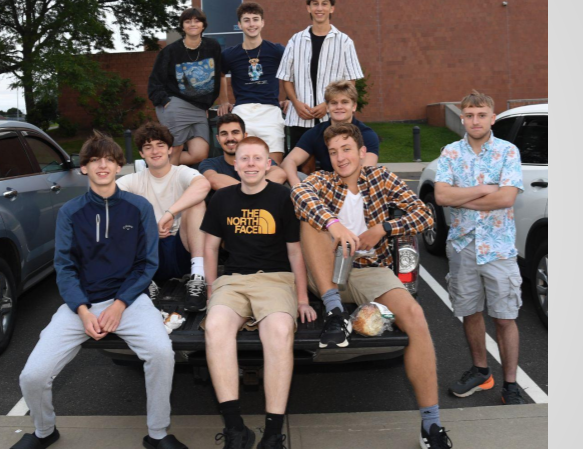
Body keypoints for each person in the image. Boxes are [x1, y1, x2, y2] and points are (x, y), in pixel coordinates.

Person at [12, 133, 186, 449]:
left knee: (162, 354)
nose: (102, 165)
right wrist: (81, 310)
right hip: (81, 303)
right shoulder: (70, 212)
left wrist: (119, 305)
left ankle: (158, 434)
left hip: (130, 301)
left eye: (108, 159)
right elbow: (64, 267)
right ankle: (44, 431)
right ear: (84, 169)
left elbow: (147, 264)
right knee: (32, 376)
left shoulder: (139, 207)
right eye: (94, 160)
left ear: (119, 166)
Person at [290, 123, 451, 448]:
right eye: (333, 152)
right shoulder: (323, 180)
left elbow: (425, 214)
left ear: (362, 152)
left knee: (415, 317)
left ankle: (431, 425)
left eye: (346, 149)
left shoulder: (381, 178)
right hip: (325, 272)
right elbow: (299, 194)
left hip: (368, 269)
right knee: (313, 223)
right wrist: (334, 225)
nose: (340, 157)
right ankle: (335, 311)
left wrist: (383, 227)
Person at [198, 136, 309, 449]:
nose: (250, 164)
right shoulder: (222, 200)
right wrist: (210, 289)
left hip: (275, 279)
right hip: (233, 281)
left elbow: (295, 253)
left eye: (257, 159)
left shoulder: (282, 198)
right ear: (234, 164)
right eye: (244, 158)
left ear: (268, 164)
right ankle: (236, 429)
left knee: (278, 330)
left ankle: (273, 433)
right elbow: (210, 246)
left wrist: (302, 298)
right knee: (216, 327)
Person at [432, 91, 531, 407]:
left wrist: (463, 196)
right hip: (462, 247)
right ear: (463, 118)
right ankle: (481, 371)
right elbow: (442, 197)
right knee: (470, 312)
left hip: (499, 248)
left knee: (504, 317)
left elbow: (506, 198)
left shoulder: (507, 152)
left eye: (482, 114)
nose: (475, 120)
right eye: (470, 115)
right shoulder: (450, 153)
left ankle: (511, 384)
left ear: (492, 117)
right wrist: (483, 190)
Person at [117, 121, 212, 292]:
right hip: (149, 252)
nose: (155, 151)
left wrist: (170, 213)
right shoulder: (134, 180)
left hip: (182, 246)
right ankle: (142, 278)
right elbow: (107, 199)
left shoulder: (181, 172)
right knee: (120, 208)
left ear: (170, 149)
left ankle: (198, 276)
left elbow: (204, 185)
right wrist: (149, 228)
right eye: (148, 147)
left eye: (160, 145)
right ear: (141, 153)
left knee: (197, 203)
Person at [277, 0, 364, 150]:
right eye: (315, 4)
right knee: (302, 167)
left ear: (332, 9)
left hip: (333, 117)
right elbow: (286, 78)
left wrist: (327, 104)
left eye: (325, 4)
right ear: (308, 8)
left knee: (334, 161)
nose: (319, 8)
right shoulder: (296, 40)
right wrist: (295, 104)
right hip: (300, 116)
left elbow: (351, 80)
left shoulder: (344, 41)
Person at [216, 1, 290, 167]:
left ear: (262, 23)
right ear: (240, 25)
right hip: (243, 111)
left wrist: (289, 98)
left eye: (255, 19)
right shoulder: (230, 54)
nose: (251, 24)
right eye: (247, 20)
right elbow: (220, 75)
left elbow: (290, 74)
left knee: (274, 164)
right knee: (244, 162)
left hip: (270, 110)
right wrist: (224, 101)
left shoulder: (276, 50)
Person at [148, 7, 224, 167]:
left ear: (203, 25)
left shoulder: (212, 47)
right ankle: (167, 187)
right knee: (176, 149)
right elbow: (155, 82)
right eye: (188, 21)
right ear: (182, 27)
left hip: (199, 109)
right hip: (176, 105)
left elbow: (219, 75)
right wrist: (166, 102)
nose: (193, 24)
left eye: (197, 21)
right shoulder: (170, 51)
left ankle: (155, 162)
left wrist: (215, 102)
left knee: (200, 153)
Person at [280, 80, 379, 179]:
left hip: (356, 186)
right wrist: (298, 188)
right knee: (288, 175)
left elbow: (367, 169)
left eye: (344, 102)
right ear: (327, 107)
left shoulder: (367, 135)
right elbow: (289, 161)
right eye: (334, 103)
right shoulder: (316, 132)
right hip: (325, 184)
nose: (339, 107)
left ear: (353, 106)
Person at [199, 113, 289, 188]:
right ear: (218, 139)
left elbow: (279, 173)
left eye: (235, 132)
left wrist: (252, 191)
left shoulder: (258, 159)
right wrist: (250, 191)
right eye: (224, 134)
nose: (230, 138)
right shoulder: (209, 163)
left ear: (245, 136)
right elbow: (213, 179)